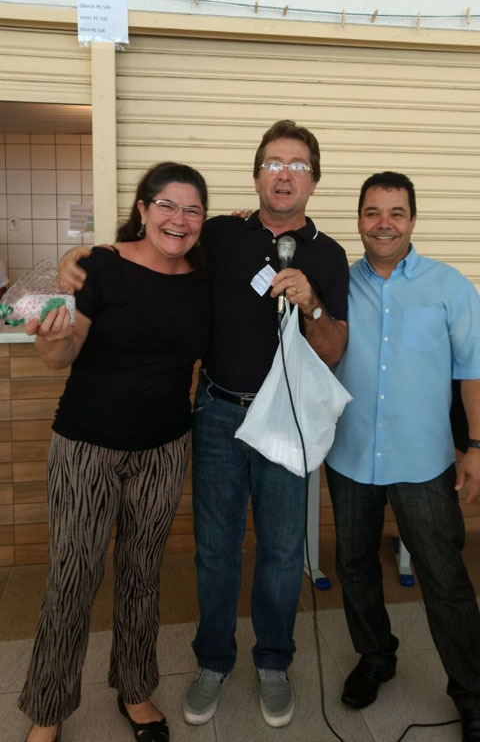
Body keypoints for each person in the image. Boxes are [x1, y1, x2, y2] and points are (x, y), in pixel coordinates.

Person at [59, 120, 350, 729]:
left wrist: (313, 304)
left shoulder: (328, 254)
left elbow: (333, 350)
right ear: (256, 174)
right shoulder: (217, 233)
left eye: (298, 165)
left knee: (281, 551)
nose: (285, 175)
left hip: (285, 417)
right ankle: (213, 661)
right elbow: (150, 253)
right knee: (216, 550)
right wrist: (80, 257)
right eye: (274, 163)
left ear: (315, 180)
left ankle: (273, 662)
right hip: (217, 412)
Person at [19, 162, 211, 742]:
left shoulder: (204, 278)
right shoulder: (100, 265)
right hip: (86, 446)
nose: (179, 219)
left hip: (164, 449)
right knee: (73, 576)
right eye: (167, 205)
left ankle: (135, 689)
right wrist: (53, 337)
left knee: (141, 575)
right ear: (144, 209)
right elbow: (60, 355)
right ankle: (48, 710)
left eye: (193, 209)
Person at [325, 171, 480, 742]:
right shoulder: (338, 285)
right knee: (354, 565)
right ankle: (376, 656)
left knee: (445, 577)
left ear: (413, 219)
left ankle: (471, 691)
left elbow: (473, 372)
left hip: (424, 461)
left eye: (396, 212)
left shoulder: (450, 285)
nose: (384, 223)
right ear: (359, 220)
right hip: (350, 456)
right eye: (372, 212)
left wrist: (477, 448)